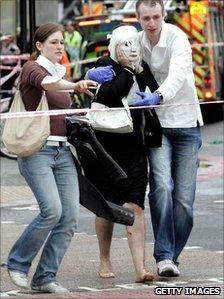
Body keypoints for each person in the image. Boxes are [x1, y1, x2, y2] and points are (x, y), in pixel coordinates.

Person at [88, 0, 203, 278]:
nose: (151, 23)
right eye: (146, 18)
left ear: (163, 15)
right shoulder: (135, 40)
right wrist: (91, 73)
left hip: (186, 122)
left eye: (155, 17)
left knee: (184, 201)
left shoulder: (178, 39)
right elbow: (113, 58)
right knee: (161, 186)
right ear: (138, 18)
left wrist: (157, 95)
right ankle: (163, 257)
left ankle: (172, 255)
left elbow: (176, 76)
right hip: (157, 127)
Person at [6, 22, 97, 294]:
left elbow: (59, 113)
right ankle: (17, 263)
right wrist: (76, 85)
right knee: (52, 211)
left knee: (69, 216)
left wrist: (85, 117)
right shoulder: (34, 69)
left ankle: (44, 277)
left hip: (62, 151)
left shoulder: (61, 71)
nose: (60, 46)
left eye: (61, 42)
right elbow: (49, 84)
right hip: (38, 152)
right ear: (39, 45)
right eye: (54, 42)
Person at [87, 24, 162, 283]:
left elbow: (155, 93)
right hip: (106, 147)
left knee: (135, 206)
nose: (131, 50)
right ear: (115, 46)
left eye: (134, 44)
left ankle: (140, 268)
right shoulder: (103, 65)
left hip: (135, 147)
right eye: (125, 45)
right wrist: (129, 70)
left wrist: (141, 71)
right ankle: (104, 260)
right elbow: (111, 93)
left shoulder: (139, 66)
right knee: (106, 206)